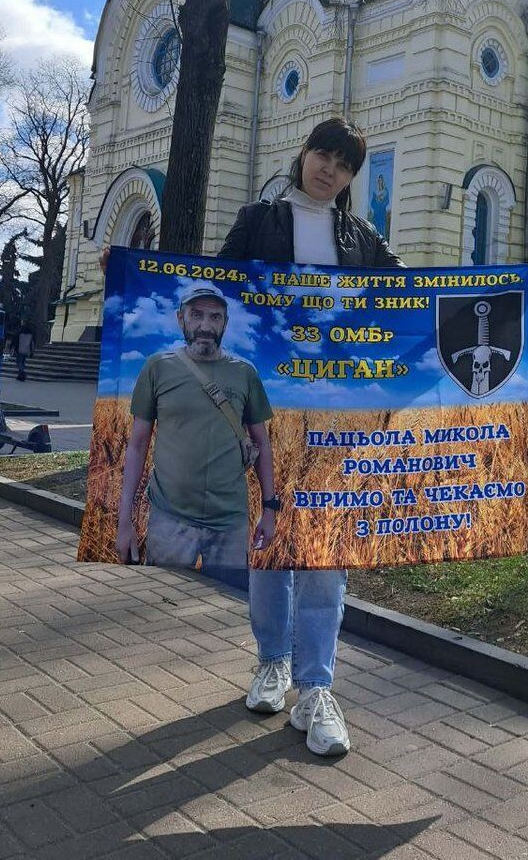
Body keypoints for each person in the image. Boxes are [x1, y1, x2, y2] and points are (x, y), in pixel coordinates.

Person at [219, 116, 402, 757]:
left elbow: (414, 295)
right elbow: (208, 289)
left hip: (337, 415)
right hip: (268, 410)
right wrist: (130, 270)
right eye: (324, 154)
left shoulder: (362, 237)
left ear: (351, 178)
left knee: (326, 547)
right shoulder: (257, 222)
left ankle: (315, 687)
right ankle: (272, 660)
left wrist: (506, 291)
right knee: (269, 537)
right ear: (303, 154)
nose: (331, 169)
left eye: (344, 164)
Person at [115, 285, 279, 586]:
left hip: (230, 521)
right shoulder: (157, 368)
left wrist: (269, 510)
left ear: (225, 323)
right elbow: (137, 445)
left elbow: (262, 444)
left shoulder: (245, 372)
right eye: (196, 315)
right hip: (169, 519)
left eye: (215, 317)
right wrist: (124, 519)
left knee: (228, 604)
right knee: (161, 600)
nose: (205, 326)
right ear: (181, 319)